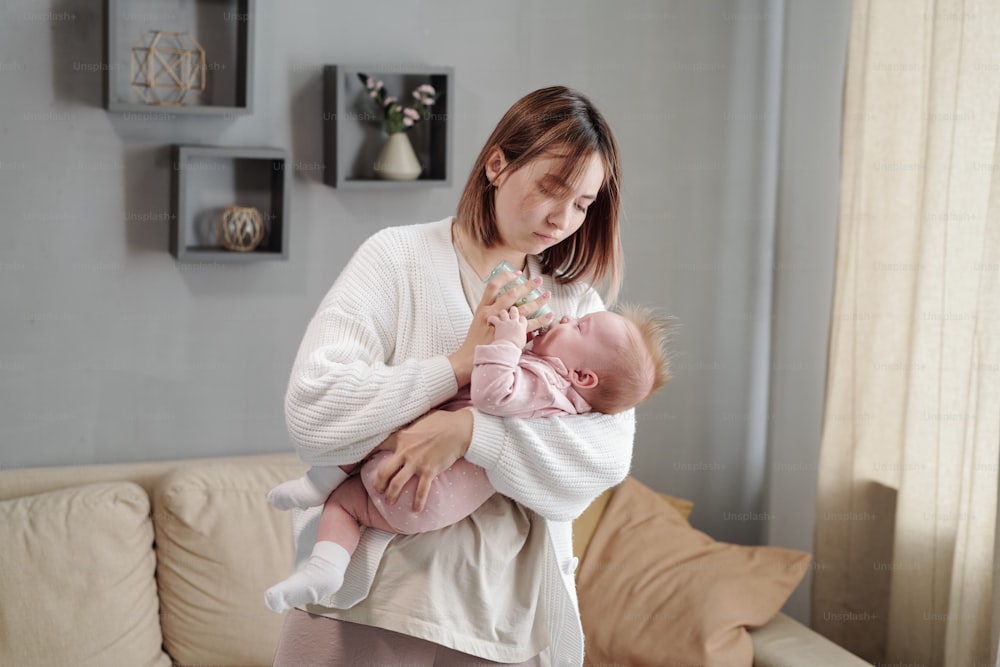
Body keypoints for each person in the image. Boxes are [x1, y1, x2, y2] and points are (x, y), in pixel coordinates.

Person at [273, 85, 636, 667]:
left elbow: (604, 458)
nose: (562, 219)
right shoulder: (398, 260)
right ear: (497, 163)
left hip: (504, 623)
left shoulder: (576, 307)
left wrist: (474, 436)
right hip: (377, 602)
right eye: (551, 188)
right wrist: (460, 364)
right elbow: (315, 411)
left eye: (583, 204)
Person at [264, 303, 670, 614]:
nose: (565, 319)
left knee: (365, 444)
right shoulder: (563, 397)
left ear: (582, 377)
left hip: (426, 482)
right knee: (350, 505)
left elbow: (492, 392)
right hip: (427, 509)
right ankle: (325, 571)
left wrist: (509, 341)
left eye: (578, 326)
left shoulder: (545, 385)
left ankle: (316, 495)